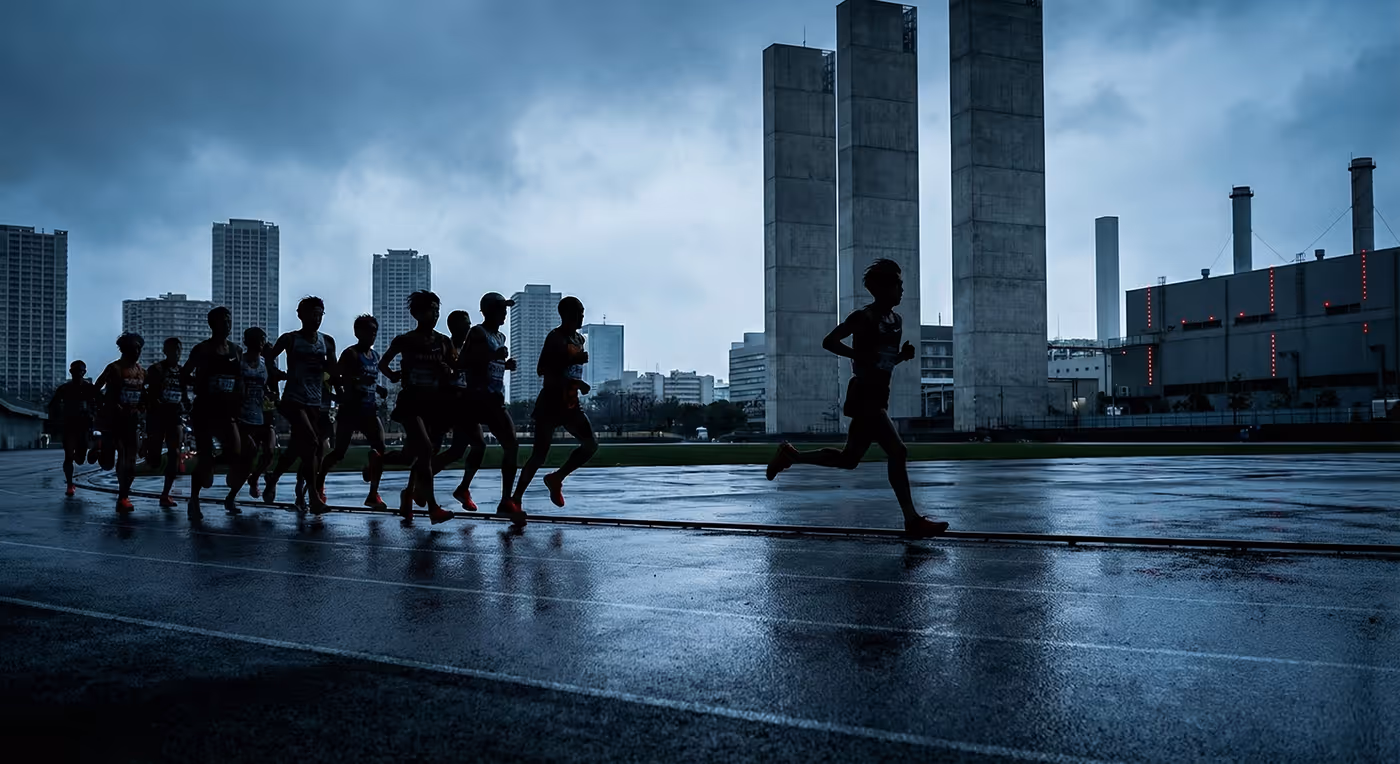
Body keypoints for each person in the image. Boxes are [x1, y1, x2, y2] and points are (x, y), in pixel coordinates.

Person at [765, 259, 949, 539]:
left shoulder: (896, 321)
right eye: (897, 284)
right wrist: (857, 355)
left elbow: (882, 361)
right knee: (898, 452)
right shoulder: (863, 317)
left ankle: (791, 455)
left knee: (849, 459)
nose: (902, 288)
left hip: (879, 393)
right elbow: (830, 341)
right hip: (865, 394)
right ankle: (912, 520)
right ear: (882, 288)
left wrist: (901, 357)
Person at [511, 296, 596, 520]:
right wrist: (573, 368)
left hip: (570, 402)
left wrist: (575, 381)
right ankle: (516, 499)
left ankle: (557, 478)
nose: (582, 316)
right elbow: (543, 370)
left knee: (590, 444)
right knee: (539, 455)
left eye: (583, 312)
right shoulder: (555, 338)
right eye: (578, 312)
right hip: (550, 401)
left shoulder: (579, 339)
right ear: (566, 315)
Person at [379, 290, 455, 524]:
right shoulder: (405, 340)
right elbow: (383, 364)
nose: (435, 314)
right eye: (430, 309)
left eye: (437, 310)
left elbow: (455, 369)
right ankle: (433, 507)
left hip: (434, 404)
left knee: (409, 456)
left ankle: (378, 461)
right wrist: (393, 375)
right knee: (424, 450)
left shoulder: (443, 341)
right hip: (411, 402)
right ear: (416, 313)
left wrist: (448, 371)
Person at [453, 292, 522, 518]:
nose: (504, 314)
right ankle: (498, 499)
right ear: (489, 311)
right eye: (501, 309)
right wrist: (492, 355)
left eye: (505, 309)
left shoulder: (501, 337)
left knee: (507, 446)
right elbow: (463, 362)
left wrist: (504, 364)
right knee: (474, 448)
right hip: (476, 399)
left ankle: (499, 498)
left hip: (494, 399)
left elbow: (492, 363)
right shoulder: (477, 332)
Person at [267, 297, 337, 515]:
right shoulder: (290, 339)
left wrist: (341, 390)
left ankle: (274, 478)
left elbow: (333, 371)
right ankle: (313, 497)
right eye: (312, 314)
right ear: (300, 315)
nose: (316, 319)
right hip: (294, 400)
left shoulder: (327, 341)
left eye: (320, 315)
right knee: (313, 442)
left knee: (298, 448)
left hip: (315, 402)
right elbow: (268, 358)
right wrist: (275, 377)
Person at [182, 307, 249, 520]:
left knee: (236, 452)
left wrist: (240, 398)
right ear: (212, 324)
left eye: (229, 320)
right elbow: (184, 374)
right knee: (203, 457)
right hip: (204, 410)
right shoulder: (202, 349)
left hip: (227, 410)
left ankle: (210, 463)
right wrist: (197, 387)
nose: (227, 325)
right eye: (222, 321)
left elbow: (241, 379)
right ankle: (194, 500)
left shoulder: (236, 350)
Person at [321, 314, 391, 511]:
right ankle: (319, 483)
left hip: (369, 409)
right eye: (368, 331)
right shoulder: (350, 354)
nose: (372, 335)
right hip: (350, 411)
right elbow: (337, 376)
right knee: (339, 453)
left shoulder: (375, 356)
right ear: (357, 333)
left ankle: (373, 494)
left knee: (380, 449)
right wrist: (349, 388)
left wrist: (379, 389)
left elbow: (369, 380)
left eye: (374, 332)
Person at [94, 334, 146, 513]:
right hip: (113, 421)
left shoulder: (141, 371)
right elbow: (96, 389)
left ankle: (123, 496)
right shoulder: (114, 368)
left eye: (139, 348)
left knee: (129, 460)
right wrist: (109, 404)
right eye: (133, 348)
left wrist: (142, 408)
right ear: (124, 349)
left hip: (132, 421)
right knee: (108, 463)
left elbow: (145, 395)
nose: (137, 352)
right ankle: (101, 448)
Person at [429, 310, 476, 491]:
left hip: (463, 403)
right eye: (465, 324)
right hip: (445, 404)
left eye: (469, 324)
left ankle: (463, 489)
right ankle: (414, 486)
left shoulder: (468, 348)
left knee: (460, 450)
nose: (469, 327)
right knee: (433, 449)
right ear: (454, 327)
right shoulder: (444, 346)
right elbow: (442, 372)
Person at [142, 337, 188, 508]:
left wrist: (186, 404)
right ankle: (148, 447)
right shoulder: (156, 369)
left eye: (178, 349)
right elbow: (144, 389)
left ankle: (165, 494)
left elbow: (184, 390)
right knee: (154, 460)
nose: (175, 353)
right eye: (172, 349)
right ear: (165, 351)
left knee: (174, 453)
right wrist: (152, 401)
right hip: (157, 416)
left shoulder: (182, 372)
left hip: (174, 415)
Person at [236, 327, 279, 502]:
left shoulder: (266, 364)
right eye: (259, 340)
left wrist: (271, 395)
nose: (262, 343)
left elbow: (270, 386)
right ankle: (238, 483)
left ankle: (255, 477)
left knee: (269, 451)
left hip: (264, 413)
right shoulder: (240, 363)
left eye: (263, 339)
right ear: (248, 342)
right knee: (249, 453)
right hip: (244, 416)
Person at [48, 361, 98, 496]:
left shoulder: (89, 388)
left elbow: (99, 403)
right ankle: (70, 484)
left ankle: (71, 482)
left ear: (84, 372)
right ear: (71, 373)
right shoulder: (65, 388)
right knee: (69, 456)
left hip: (83, 426)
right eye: (75, 371)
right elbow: (53, 406)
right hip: (68, 426)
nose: (78, 374)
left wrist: (93, 414)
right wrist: (56, 421)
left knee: (80, 459)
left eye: (80, 371)